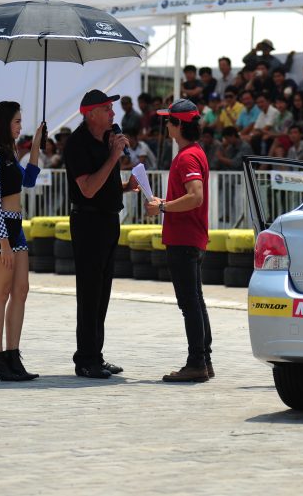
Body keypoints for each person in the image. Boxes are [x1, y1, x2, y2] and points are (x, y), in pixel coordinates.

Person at [63, 90, 138, 379]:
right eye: (107, 109)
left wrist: (126, 186)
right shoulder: (77, 143)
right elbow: (88, 189)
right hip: (88, 222)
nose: (113, 113)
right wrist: (114, 156)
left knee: (103, 291)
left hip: (108, 220)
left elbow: (105, 184)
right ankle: (85, 359)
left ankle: (96, 354)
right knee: (89, 291)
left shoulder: (107, 139)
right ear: (91, 113)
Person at [143, 99, 213, 383]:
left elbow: (195, 197)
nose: (166, 125)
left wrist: (162, 206)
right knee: (196, 301)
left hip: (184, 238)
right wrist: (165, 203)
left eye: (169, 120)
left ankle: (197, 362)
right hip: (191, 237)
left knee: (190, 303)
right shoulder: (195, 152)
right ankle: (204, 360)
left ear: (179, 125)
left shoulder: (186, 157)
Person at [0, 101, 44, 382]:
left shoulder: (10, 153)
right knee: (1, 292)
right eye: (16, 121)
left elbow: (29, 181)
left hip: (17, 227)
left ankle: (13, 355)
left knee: (21, 290)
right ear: (3, 123)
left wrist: (36, 144)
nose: (20, 126)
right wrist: (4, 243)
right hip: (1, 229)